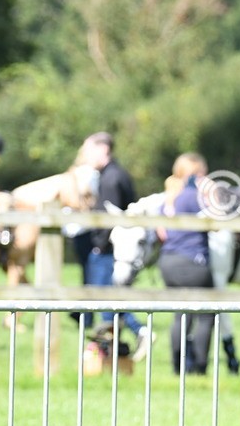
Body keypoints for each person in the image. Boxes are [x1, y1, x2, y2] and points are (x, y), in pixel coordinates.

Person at [81, 131, 149, 352]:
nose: (85, 156)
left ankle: (138, 332)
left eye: (89, 150)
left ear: (103, 150)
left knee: (106, 300)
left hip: (108, 250)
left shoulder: (111, 178)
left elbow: (113, 218)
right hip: (111, 249)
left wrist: (99, 245)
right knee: (107, 300)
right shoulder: (113, 174)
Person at [158, 154, 215, 375]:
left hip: (168, 262)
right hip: (193, 262)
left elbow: (161, 233)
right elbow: (217, 222)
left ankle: (178, 367)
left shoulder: (168, 197)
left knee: (181, 315)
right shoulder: (195, 197)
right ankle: (199, 367)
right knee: (206, 316)